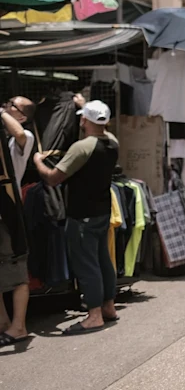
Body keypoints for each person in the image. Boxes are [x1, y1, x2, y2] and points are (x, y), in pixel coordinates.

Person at [33, 100, 119, 335]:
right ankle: (108, 307)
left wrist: (38, 162)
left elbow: (53, 178)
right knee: (102, 260)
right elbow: (103, 129)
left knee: (87, 264)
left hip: (82, 215)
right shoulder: (112, 142)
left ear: (83, 120)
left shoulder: (82, 147)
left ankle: (94, 316)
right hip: (102, 211)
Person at [0, 96, 35, 347]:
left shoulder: (24, 138)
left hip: (9, 212)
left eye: (13, 105)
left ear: (21, 116)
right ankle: (3, 323)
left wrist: (1, 112)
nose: (8, 106)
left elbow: (20, 133)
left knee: (16, 267)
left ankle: (19, 326)